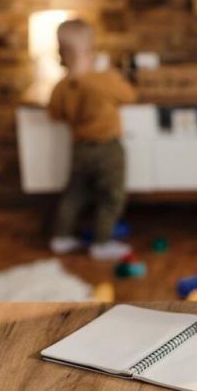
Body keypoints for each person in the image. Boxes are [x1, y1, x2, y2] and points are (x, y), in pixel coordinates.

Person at [47, 19, 137, 260]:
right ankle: (102, 242)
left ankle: (61, 237)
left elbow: (55, 114)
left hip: (80, 149)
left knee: (74, 194)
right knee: (111, 196)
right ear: (91, 50)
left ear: (61, 53)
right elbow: (129, 95)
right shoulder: (104, 80)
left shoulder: (61, 87)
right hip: (108, 148)